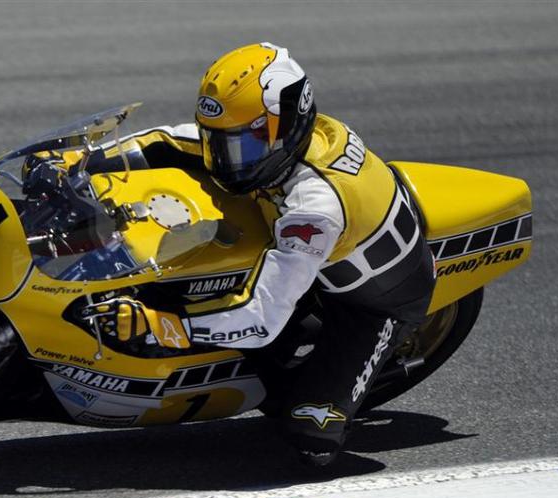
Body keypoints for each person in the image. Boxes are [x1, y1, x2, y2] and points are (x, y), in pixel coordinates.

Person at [88, 43, 436, 465]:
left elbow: (261, 319)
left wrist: (168, 327)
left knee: (310, 438)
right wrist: (83, 160)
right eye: (220, 143)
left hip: (372, 302)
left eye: (243, 147)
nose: (226, 161)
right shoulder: (277, 141)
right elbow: (169, 140)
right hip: (312, 258)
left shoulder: (314, 207)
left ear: (287, 126)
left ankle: (334, 392)